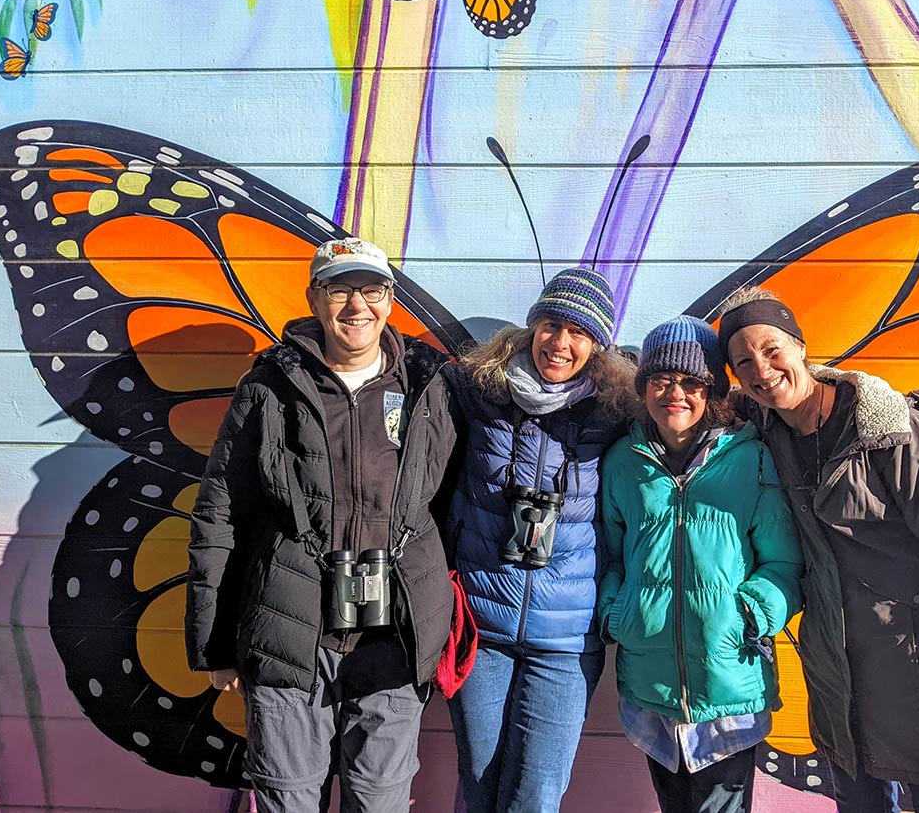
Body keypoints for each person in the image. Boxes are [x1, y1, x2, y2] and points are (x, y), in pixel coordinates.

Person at [185, 237, 456, 813]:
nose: (357, 305)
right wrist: (214, 648)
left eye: (373, 289)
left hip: (395, 637)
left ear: (390, 299)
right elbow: (220, 513)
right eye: (340, 288)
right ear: (314, 296)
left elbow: (459, 500)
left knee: (380, 801)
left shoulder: (429, 389)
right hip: (290, 630)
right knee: (288, 799)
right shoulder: (269, 389)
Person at [717, 287, 919, 813]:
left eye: (771, 349)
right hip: (838, 680)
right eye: (743, 362)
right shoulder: (767, 437)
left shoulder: (892, 433)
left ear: (801, 347)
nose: (761, 370)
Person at [440, 268, 637, 813]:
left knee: (536, 794)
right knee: (478, 782)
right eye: (552, 325)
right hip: (482, 627)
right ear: (532, 327)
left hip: (567, 641)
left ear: (597, 346)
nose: (561, 343)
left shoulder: (617, 411)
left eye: (579, 333)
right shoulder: (480, 391)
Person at [598, 316, 803, 813]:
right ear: (643, 385)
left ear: (712, 392)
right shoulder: (624, 461)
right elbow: (611, 555)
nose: (676, 394)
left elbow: (783, 563)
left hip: (730, 682)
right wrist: (616, 614)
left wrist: (748, 615)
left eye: (693, 382)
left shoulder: (751, 458)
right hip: (651, 683)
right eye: (662, 380)